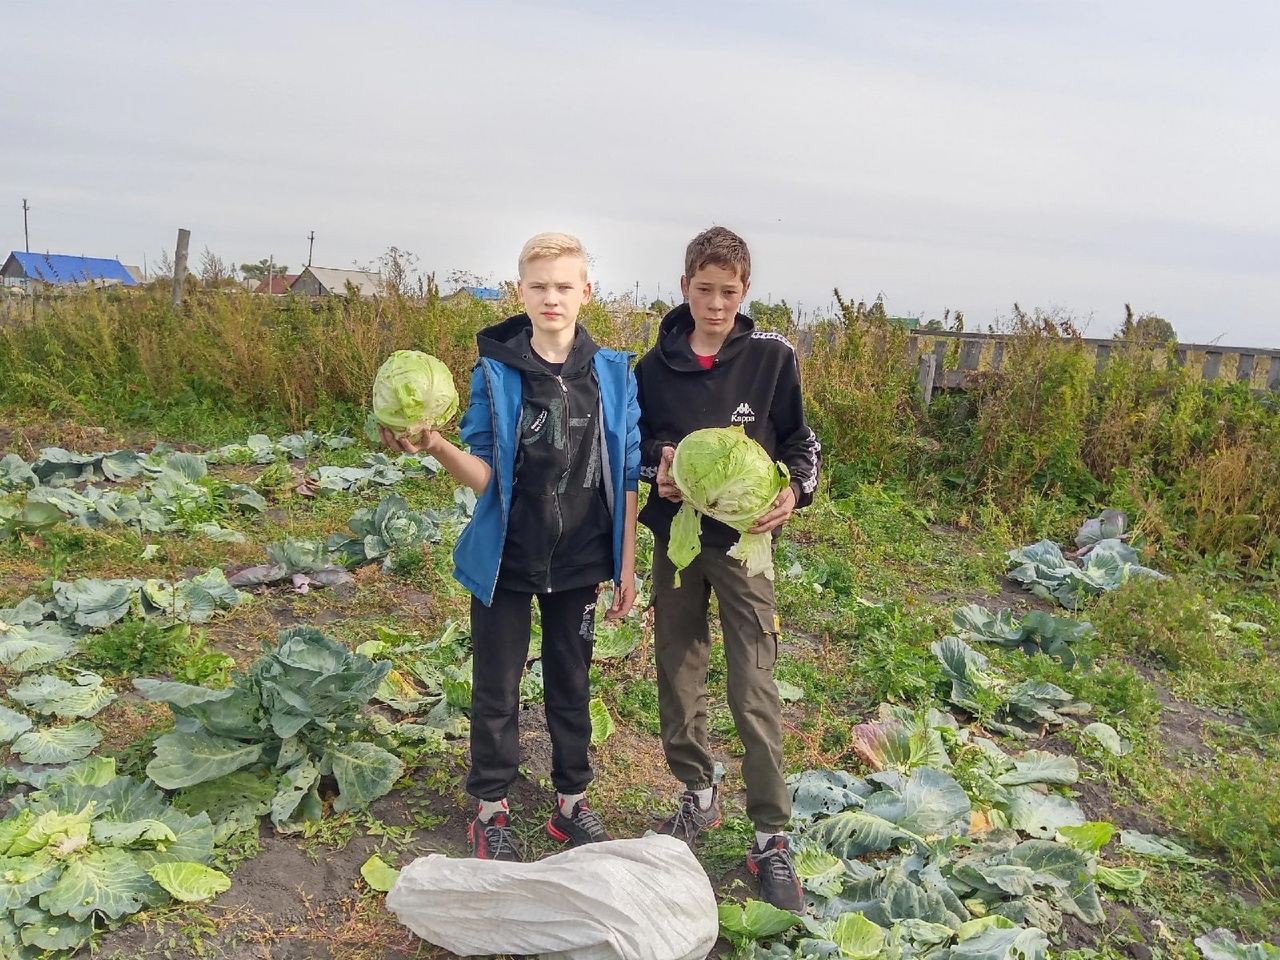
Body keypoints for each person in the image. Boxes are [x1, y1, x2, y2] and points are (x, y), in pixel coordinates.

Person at [380, 232, 640, 861]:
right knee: (497, 685)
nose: (552, 297)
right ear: (519, 292)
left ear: (586, 293)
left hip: (579, 558)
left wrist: (625, 561)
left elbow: (627, 470)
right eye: (539, 286)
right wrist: (437, 447)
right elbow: (487, 475)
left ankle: (572, 805)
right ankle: (491, 808)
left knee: (571, 682)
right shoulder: (494, 371)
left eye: (564, 286)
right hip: (508, 558)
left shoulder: (613, 373)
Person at [635, 226, 820, 910]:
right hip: (679, 539)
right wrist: (661, 465)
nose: (716, 304)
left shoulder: (771, 358)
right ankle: (697, 790)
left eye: (729, 292)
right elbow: (642, 443)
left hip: (745, 545)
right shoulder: (652, 368)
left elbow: (802, 442)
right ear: (684, 287)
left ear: (746, 293)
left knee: (754, 681)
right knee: (677, 664)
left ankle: (770, 834)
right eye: (704, 290)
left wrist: (794, 492)